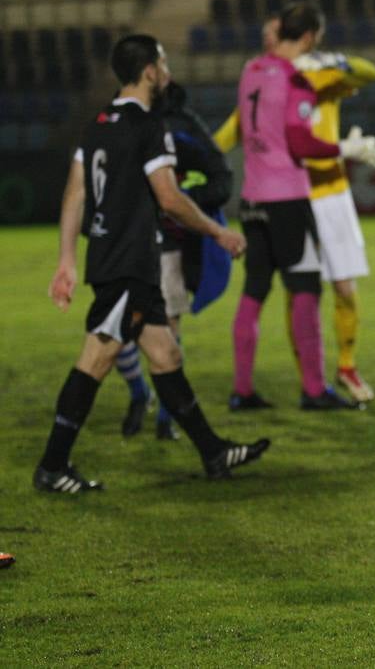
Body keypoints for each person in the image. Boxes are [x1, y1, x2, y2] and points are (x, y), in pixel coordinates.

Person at [38, 33, 267, 493]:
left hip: (114, 256)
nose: (168, 74)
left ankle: (213, 451)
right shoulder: (148, 126)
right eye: (163, 65)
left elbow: (75, 193)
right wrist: (220, 231)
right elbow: (169, 197)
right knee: (96, 358)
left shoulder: (98, 124)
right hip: (128, 262)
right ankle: (53, 465)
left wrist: (67, 259)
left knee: (165, 354)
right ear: (148, 71)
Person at [216, 17, 375, 403]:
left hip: (327, 193)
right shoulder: (275, 78)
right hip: (294, 193)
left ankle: (344, 366)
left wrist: (333, 61)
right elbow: (238, 131)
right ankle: (310, 382)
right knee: (300, 291)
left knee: (341, 288)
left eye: (272, 34)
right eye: (264, 36)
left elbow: (369, 72)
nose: (268, 41)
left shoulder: (306, 72)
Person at [117, 79, 235, 441]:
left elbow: (222, 178)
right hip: (128, 241)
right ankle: (140, 392)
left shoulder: (184, 126)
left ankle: (166, 418)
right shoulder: (123, 122)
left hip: (168, 244)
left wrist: (184, 198)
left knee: (166, 330)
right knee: (118, 331)